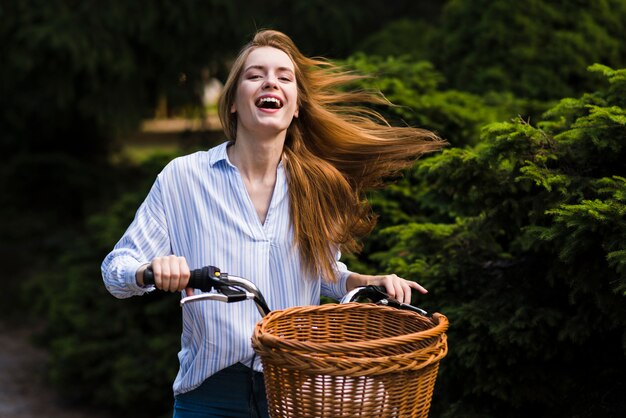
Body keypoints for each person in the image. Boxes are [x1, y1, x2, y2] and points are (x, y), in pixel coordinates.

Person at [102, 29, 445, 418]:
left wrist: (366, 282)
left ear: (296, 106)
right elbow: (116, 270)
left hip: (298, 389)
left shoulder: (316, 183)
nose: (271, 82)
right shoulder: (183, 178)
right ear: (233, 102)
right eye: (255, 75)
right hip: (210, 394)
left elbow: (324, 273)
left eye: (284, 76)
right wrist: (150, 270)